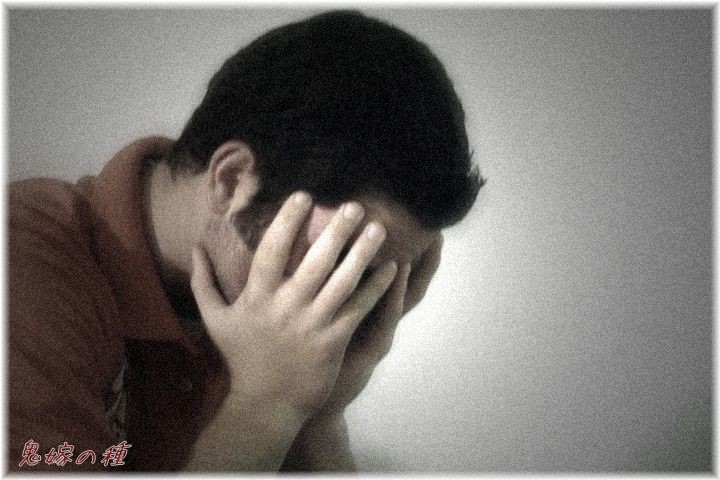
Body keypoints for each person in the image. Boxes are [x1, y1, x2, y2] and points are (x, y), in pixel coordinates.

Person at [8, 10, 483, 472]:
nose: (349, 309)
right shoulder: (19, 262)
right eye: (340, 258)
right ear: (232, 180)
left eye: (380, 278)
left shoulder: (256, 310)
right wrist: (266, 405)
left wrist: (318, 416)